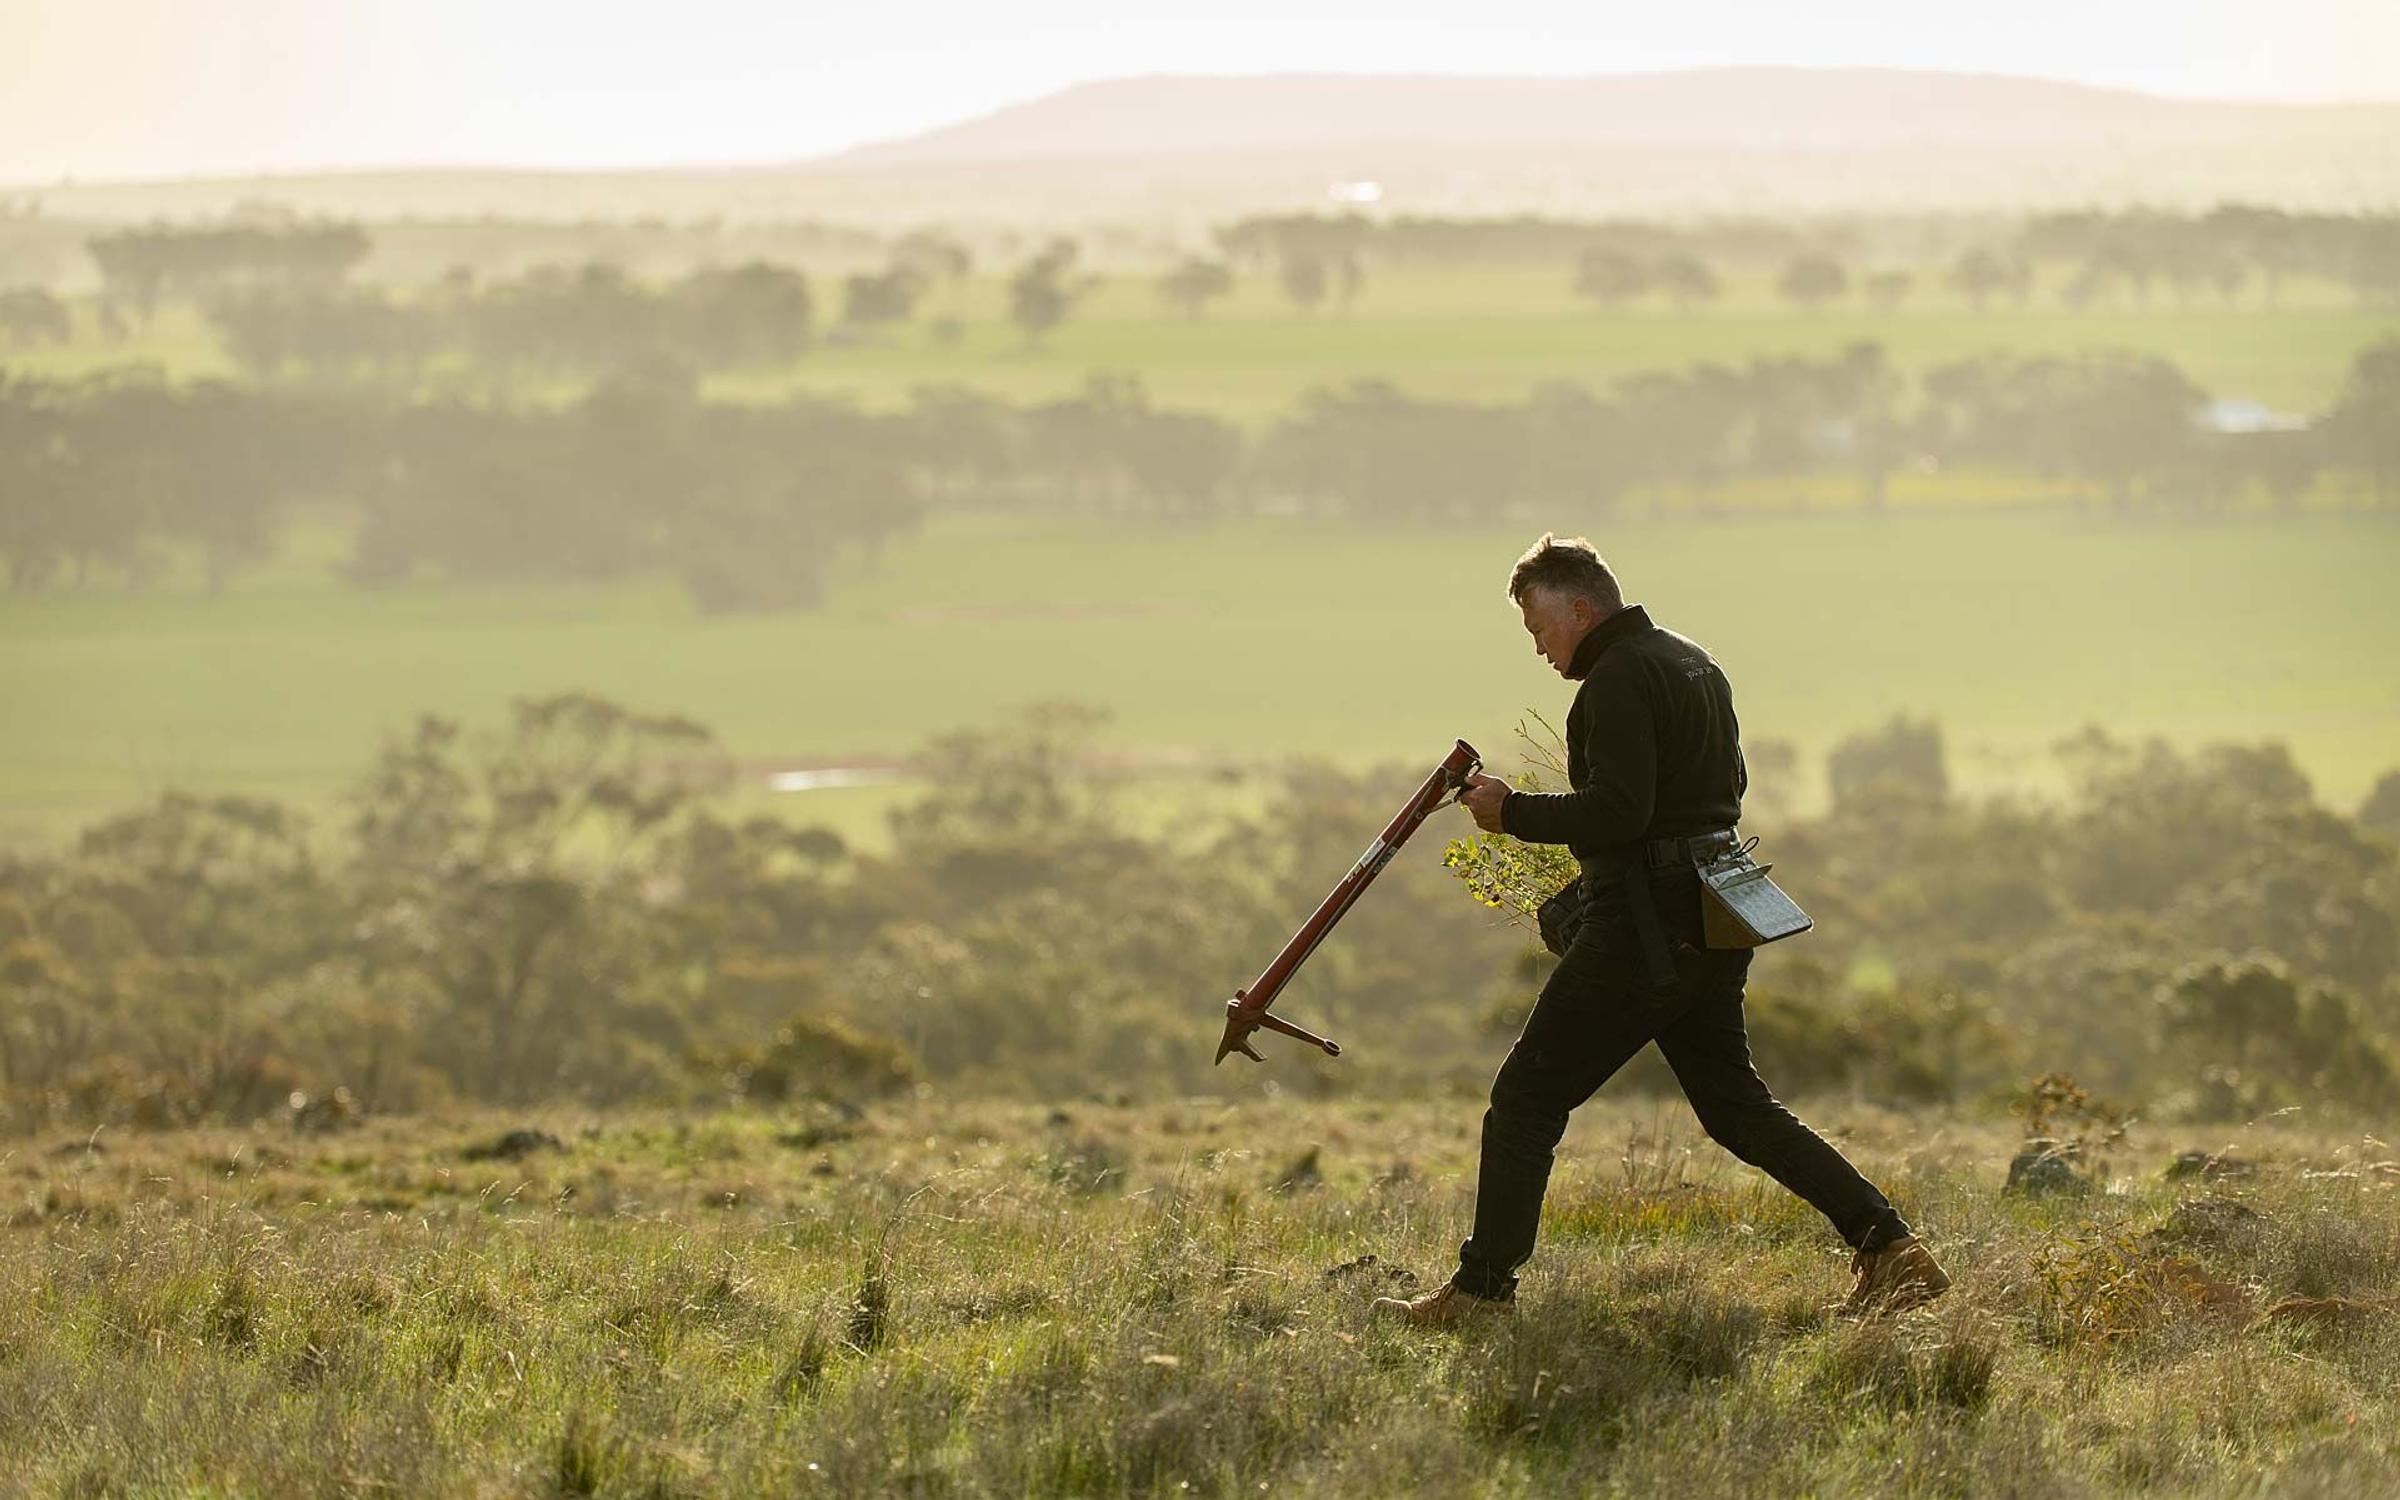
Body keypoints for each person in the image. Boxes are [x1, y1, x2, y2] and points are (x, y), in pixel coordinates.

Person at [1374, 534, 1949, 1327]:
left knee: (1526, 1099)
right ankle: (1892, 1250)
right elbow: (1726, 789)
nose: (1540, 650)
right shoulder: (1694, 663)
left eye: (1542, 629)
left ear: (1582, 606)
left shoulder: (1613, 682)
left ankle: (1480, 1296)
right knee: (1735, 1106)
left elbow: (1621, 813)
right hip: (1717, 907)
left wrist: (1511, 814)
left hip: (1645, 923)